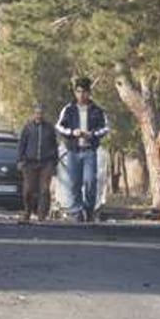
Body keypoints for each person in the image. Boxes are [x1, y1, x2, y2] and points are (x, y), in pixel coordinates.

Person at [55, 76, 109, 222]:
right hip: (73, 150)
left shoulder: (96, 110)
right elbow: (59, 126)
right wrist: (73, 132)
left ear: (89, 93)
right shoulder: (69, 109)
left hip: (89, 151)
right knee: (74, 183)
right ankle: (77, 211)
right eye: (78, 91)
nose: (81, 95)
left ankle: (89, 209)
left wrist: (92, 134)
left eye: (84, 92)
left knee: (90, 181)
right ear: (75, 92)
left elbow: (105, 128)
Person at [17, 101, 59, 222]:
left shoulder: (49, 128)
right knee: (28, 189)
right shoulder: (27, 127)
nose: (39, 115)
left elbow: (54, 145)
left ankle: (42, 215)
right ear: (33, 113)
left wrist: (54, 162)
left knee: (45, 190)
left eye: (41, 113)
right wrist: (20, 160)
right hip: (29, 163)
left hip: (46, 163)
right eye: (36, 113)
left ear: (43, 114)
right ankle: (27, 211)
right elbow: (21, 145)